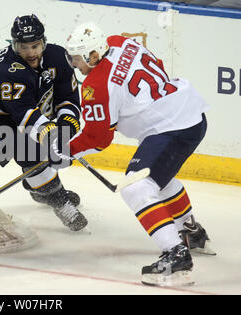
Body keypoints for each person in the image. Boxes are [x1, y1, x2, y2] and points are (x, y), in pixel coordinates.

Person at [61, 22, 215, 286]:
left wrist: (63, 152)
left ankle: (176, 255)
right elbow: (158, 64)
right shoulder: (120, 41)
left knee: (136, 187)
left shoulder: (96, 86)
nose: (75, 64)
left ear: (95, 55)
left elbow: (98, 140)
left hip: (171, 128)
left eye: (78, 58)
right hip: (191, 112)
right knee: (157, 178)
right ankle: (192, 232)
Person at [0, 14, 88, 231]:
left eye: (35, 45)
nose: (31, 52)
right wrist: (49, 132)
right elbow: (25, 116)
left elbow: (67, 98)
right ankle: (60, 203)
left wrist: (66, 125)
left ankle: (41, 188)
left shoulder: (59, 57)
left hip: (17, 108)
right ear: (15, 45)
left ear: (43, 42)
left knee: (42, 148)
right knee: (27, 150)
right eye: (24, 47)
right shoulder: (8, 69)